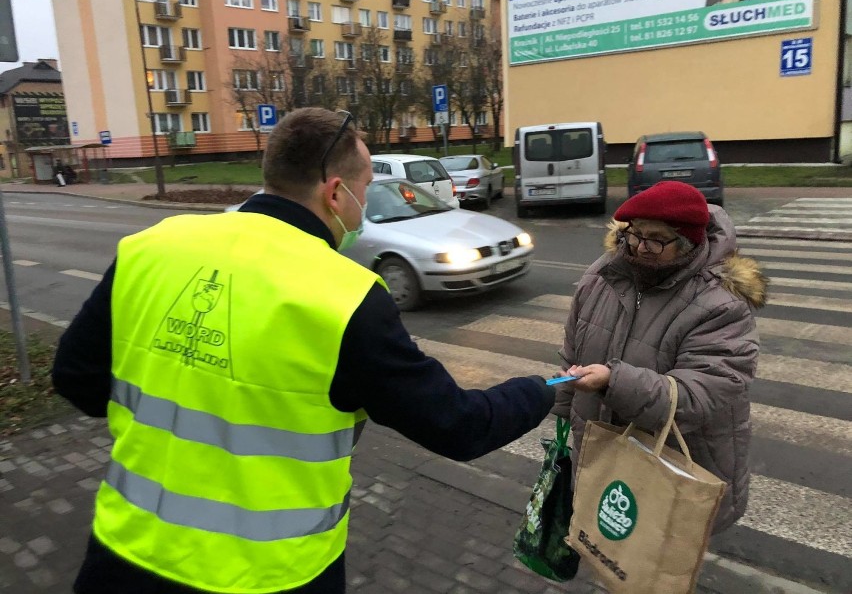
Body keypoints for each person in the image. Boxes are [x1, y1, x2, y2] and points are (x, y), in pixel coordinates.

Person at [52, 107, 556, 594]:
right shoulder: (346, 296)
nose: (362, 204)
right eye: (363, 191)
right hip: (270, 574)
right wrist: (541, 388)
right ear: (336, 194)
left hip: (124, 555)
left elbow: (77, 380)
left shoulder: (152, 246)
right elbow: (458, 426)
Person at [552, 181, 767, 534]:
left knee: (659, 556)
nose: (641, 247)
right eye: (635, 234)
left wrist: (614, 381)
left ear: (689, 242)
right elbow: (574, 349)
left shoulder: (720, 303)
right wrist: (562, 409)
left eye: (657, 239)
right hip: (604, 451)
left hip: (673, 460)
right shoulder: (603, 276)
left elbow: (700, 396)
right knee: (611, 545)